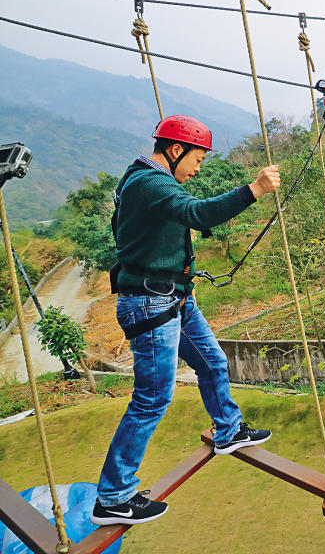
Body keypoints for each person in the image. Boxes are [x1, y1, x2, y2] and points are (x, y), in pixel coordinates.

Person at [92, 116, 280, 526]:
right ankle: (113, 497)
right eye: (197, 159)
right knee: (151, 400)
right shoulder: (150, 183)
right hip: (151, 304)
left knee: (213, 362)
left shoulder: (146, 180)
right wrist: (255, 189)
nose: (198, 169)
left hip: (171, 298)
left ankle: (228, 430)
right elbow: (197, 214)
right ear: (175, 150)